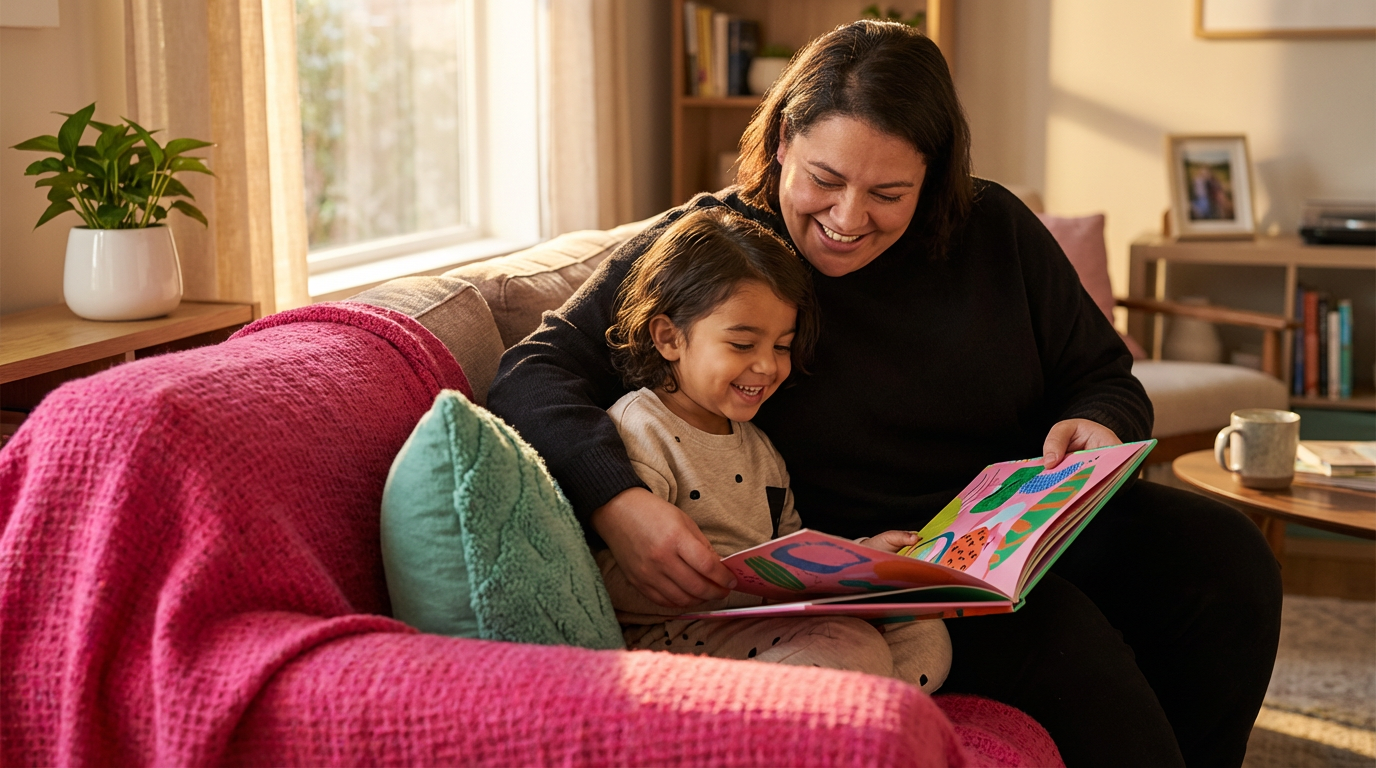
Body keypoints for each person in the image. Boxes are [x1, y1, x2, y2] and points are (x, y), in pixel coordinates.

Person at [488, 20, 1281, 768]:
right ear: (779, 145)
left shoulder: (995, 229)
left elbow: (1103, 374)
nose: (846, 219)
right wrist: (618, 501)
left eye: (887, 194)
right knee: (1072, 649)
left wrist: (1096, 422)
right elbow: (534, 371)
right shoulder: (719, 250)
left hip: (1010, 529)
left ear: (934, 179)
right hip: (873, 573)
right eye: (823, 180)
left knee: (1226, 557)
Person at [596, 205, 953, 693]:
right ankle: (813, 715)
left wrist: (861, 561)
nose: (767, 367)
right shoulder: (641, 430)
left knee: (921, 626)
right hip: (680, 643)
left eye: (782, 346)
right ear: (669, 337)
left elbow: (794, 558)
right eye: (743, 345)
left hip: (767, 625)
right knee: (853, 645)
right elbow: (612, 579)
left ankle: (853, 714)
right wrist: (728, 589)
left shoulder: (760, 448)